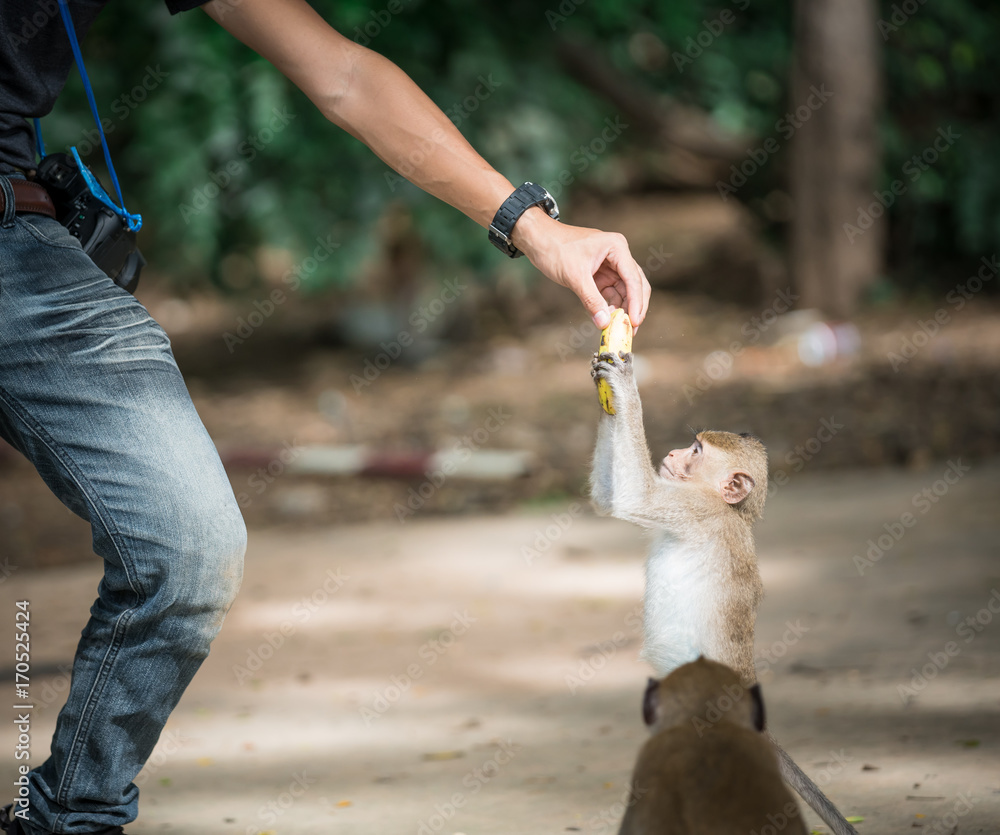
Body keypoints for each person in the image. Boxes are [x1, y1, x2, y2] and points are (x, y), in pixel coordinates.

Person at [0, 0, 651, 832]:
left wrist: (539, 229)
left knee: (189, 542)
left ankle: (68, 817)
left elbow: (340, 73)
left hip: (20, 241)